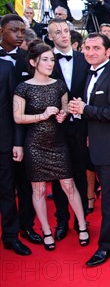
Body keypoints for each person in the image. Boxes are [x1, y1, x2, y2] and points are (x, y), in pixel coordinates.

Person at [68, 33, 110, 267]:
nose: (90, 52)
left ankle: (106, 247)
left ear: (108, 52)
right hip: (98, 144)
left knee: (109, 198)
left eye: (96, 48)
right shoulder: (91, 73)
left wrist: (85, 109)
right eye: (87, 47)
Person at [13, 43, 89, 250]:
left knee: (68, 185)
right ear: (33, 62)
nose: (49, 63)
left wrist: (63, 114)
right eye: (45, 59)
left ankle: (82, 225)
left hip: (58, 142)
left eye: (51, 60)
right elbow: (18, 117)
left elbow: (65, 109)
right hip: (34, 145)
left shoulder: (59, 85)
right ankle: (46, 230)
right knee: (37, 189)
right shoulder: (23, 87)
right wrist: (43, 115)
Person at [47, 18, 93, 240]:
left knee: (80, 175)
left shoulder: (84, 60)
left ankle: (81, 219)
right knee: (58, 175)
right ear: (50, 37)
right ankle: (62, 220)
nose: (64, 35)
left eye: (66, 30)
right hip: (54, 127)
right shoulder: (45, 61)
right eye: (58, 32)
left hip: (80, 126)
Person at [0, 14, 41, 245]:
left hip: (30, 132)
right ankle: (10, 234)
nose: (19, 35)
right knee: (6, 187)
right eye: (14, 30)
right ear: (1, 31)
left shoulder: (30, 59)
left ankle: (27, 226)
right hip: (5, 135)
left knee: (28, 184)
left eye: (23, 31)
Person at [0, 58, 31, 255]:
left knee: (6, 190)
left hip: (3, 141)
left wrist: (18, 142)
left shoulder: (6, 67)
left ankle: (11, 237)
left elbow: (15, 109)